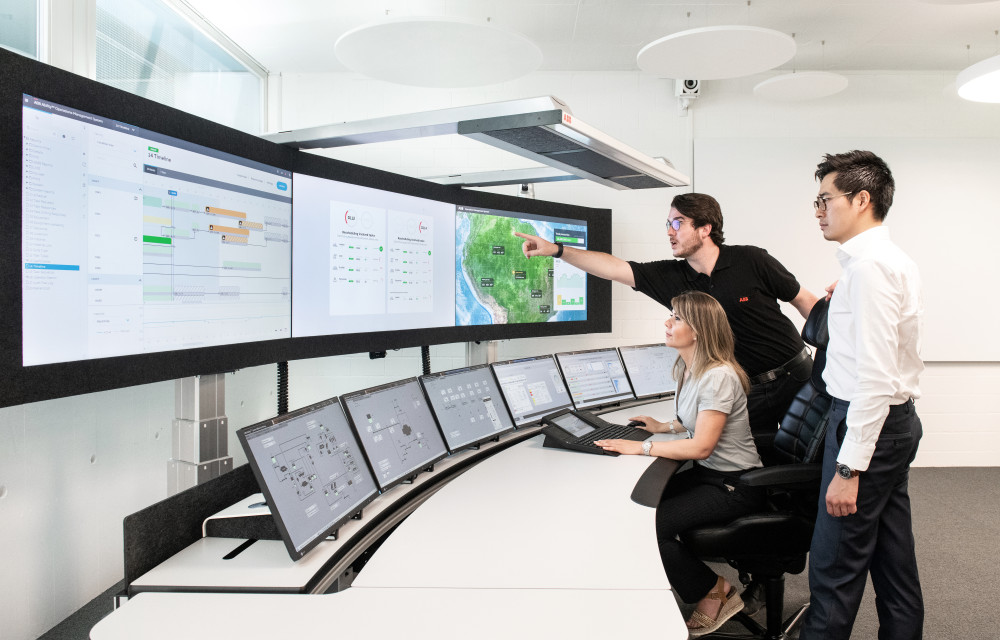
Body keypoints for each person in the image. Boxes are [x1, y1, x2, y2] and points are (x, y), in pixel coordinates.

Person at [515, 193, 818, 452]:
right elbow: (613, 268)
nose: (670, 232)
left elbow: (805, 301)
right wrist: (557, 250)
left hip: (796, 376)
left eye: (678, 223)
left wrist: (833, 351)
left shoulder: (752, 260)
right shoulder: (672, 278)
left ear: (705, 228)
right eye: (668, 224)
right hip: (745, 389)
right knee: (756, 457)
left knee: (813, 455)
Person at [799, 150, 924, 640]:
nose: (818, 211)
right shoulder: (878, 264)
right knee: (893, 563)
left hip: (865, 424)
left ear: (862, 199)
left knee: (834, 570)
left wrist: (848, 470)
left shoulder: (871, 269)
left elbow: (874, 377)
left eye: (825, 199)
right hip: (889, 424)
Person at [595, 291, 763, 637]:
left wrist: (641, 448)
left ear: (699, 330)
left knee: (648, 526)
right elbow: (694, 422)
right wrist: (663, 427)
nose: (668, 323)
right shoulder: (689, 368)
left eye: (677, 318)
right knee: (635, 511)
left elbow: (701, 445)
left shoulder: (718, 376)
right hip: (710, 475)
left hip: (735, 485)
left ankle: (715, 590)